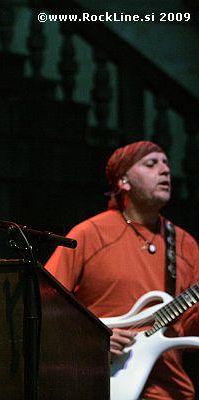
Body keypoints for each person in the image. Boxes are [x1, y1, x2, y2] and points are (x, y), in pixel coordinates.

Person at [45, 141, 199, 399]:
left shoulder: (186, 244)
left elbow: (189, 333)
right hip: (101, 384)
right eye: (151, 164)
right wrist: (92, 339)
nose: (165, 170)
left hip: (170, 392)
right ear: (123, 181)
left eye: (166, 163)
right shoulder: (90, 233)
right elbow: (44, 302)